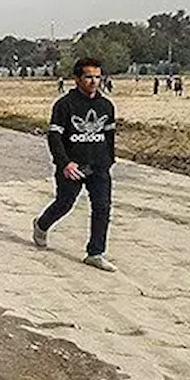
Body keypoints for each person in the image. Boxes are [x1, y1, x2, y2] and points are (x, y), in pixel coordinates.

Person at [32, 57, 118, 272]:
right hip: (71, 166)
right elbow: (54, 137)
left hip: (98, 166)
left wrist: (108, 161)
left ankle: (95, 253)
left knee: (102, 207)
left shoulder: (106, 106)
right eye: (88, 77)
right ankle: (42, 224)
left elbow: (109, 136)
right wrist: (65, 163)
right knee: (65, 203)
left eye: (97, 77)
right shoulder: (64, 105)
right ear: (77, 79)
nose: (93, 81)